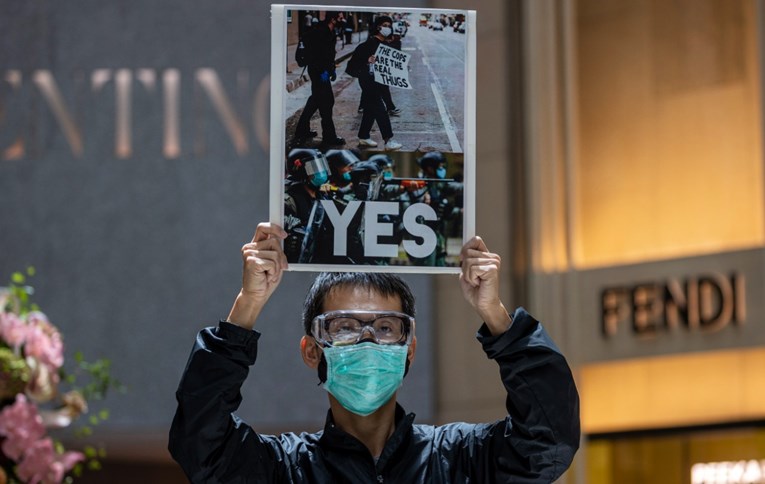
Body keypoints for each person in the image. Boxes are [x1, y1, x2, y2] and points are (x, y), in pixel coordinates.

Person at [169, 223, 581, 482]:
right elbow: (201, 445)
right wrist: (248, 304)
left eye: (386, 328)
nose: (367, 342)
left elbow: (550, 439)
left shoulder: (460, 461)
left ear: (409, 351)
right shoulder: (285, 470)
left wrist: (494, 314)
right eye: (345, 327)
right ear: (312, 351)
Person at [346, 15, 403, 151]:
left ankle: (364, 136)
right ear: (378, 27)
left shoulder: (386, 45)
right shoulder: (367, 45)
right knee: (380, 109)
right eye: (385, 25)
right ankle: (388, 140)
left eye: (389, 26)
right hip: (368, 81)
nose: (387, 28)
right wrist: (367, 61)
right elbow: (351, 67)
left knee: (370, 110)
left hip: (380, 82)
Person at [294, 12, 346, 149]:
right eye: (340, 18)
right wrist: (323, 71)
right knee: (327, 101)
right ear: (333, 19)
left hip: (322, 70)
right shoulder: (321, 32)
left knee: (315, 100)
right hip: (318, 71)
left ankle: (302, 130)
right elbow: (317, 55)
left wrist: (332, 68)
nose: (343, 20)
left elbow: (329, 54)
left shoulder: (329, 31)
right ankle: (329, 136)